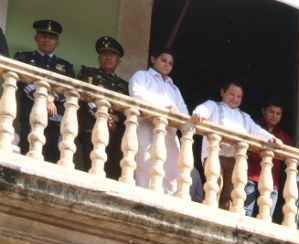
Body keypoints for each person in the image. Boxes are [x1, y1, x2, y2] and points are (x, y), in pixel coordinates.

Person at [190, 80, 281, 210]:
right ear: (223, 92)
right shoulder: (213, 105)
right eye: (232, 95)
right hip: (215, 155)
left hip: (235, 159)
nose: (235, 99)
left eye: (239, 97)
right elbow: (201, 110)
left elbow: (257, 130)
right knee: (214, 188)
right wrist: (199, 114)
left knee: (229, 195)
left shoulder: (244, 116)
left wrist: (271, 138)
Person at [14, 20, 74, 163]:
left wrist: (53, 97)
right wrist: (45, 98)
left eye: (51, 37)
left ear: (57, 42)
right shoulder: (24, 58)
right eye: (43, 36)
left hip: (55, 118)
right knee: (28, 154)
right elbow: (22, 83)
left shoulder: (65, 67)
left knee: (52, 159)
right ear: (36, 38)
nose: (47, 40)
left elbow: (69, 91)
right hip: (30, 114)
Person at [127, 50, 188, 193]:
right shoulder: (141, 76)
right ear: (153, 59)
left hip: (170, 133)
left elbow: (184, 111)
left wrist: (176, 114)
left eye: (170, 63)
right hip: (146, 129)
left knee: (172, 170)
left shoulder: (174, 88)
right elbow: (137, 95)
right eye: (163, 60)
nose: (167, 65)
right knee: (145, 165)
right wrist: (164, 107)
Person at [76, 36, 129, 178]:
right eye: (104, 54)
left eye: (112, 55)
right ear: (99, 57)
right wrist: (103, 117)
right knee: (93, 171)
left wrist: (116, 117)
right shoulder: (88, 74)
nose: (108, 58)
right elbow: (86, 97)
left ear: (119, 60)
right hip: (92, 129)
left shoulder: (124, 85)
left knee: (113, 175)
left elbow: (128, 109)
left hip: (116, 133)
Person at [245, 98, 292, 216]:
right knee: (245, 213)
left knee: (266, 216)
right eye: (271, 112)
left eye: (278, 113)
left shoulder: (284, 137)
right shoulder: (253, 127)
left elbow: (289, 160)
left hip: (272, 182)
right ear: (263, 111)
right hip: (250, 176)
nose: (274, 116)